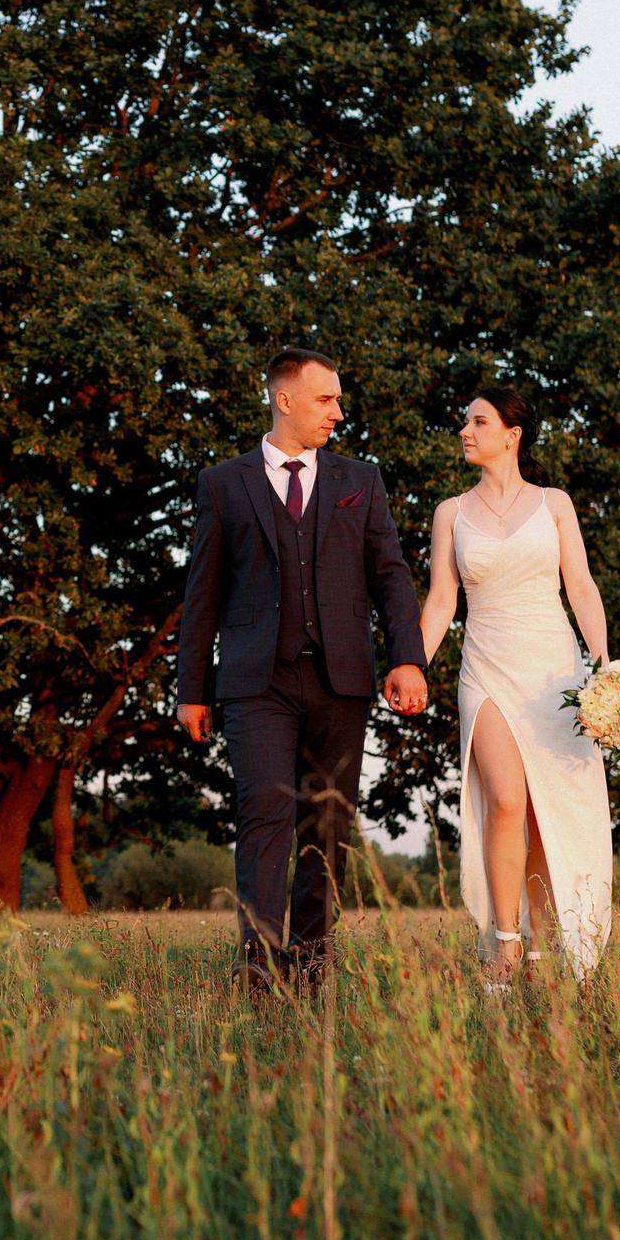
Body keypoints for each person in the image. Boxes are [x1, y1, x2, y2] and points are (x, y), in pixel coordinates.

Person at [175, 348, 429, 988]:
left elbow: (391, 578)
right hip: (254, 681)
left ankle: (312, 972)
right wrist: (191, 688)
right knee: (265, 812)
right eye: (326, 400)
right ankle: (259, 975)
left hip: (341, 679)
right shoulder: (223, 484)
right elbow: (202, 592)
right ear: (284, 400)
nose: (338, 413)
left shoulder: (360, 480)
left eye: (338, 400)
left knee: (326, 824)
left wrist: (407, 658)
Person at [418, 387, 615, 985]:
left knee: (541, 814)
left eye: (479, 421)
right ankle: (504, 946)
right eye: (465, 421)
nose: (465, 431)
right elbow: (441, 600)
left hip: (554, 672)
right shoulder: (450, 512)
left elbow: (579, 586)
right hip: (486, 668)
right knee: (505, 800)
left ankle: (541, 951)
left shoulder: (554, 504)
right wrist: (412, 666)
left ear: (512, 434)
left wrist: (606, 670)